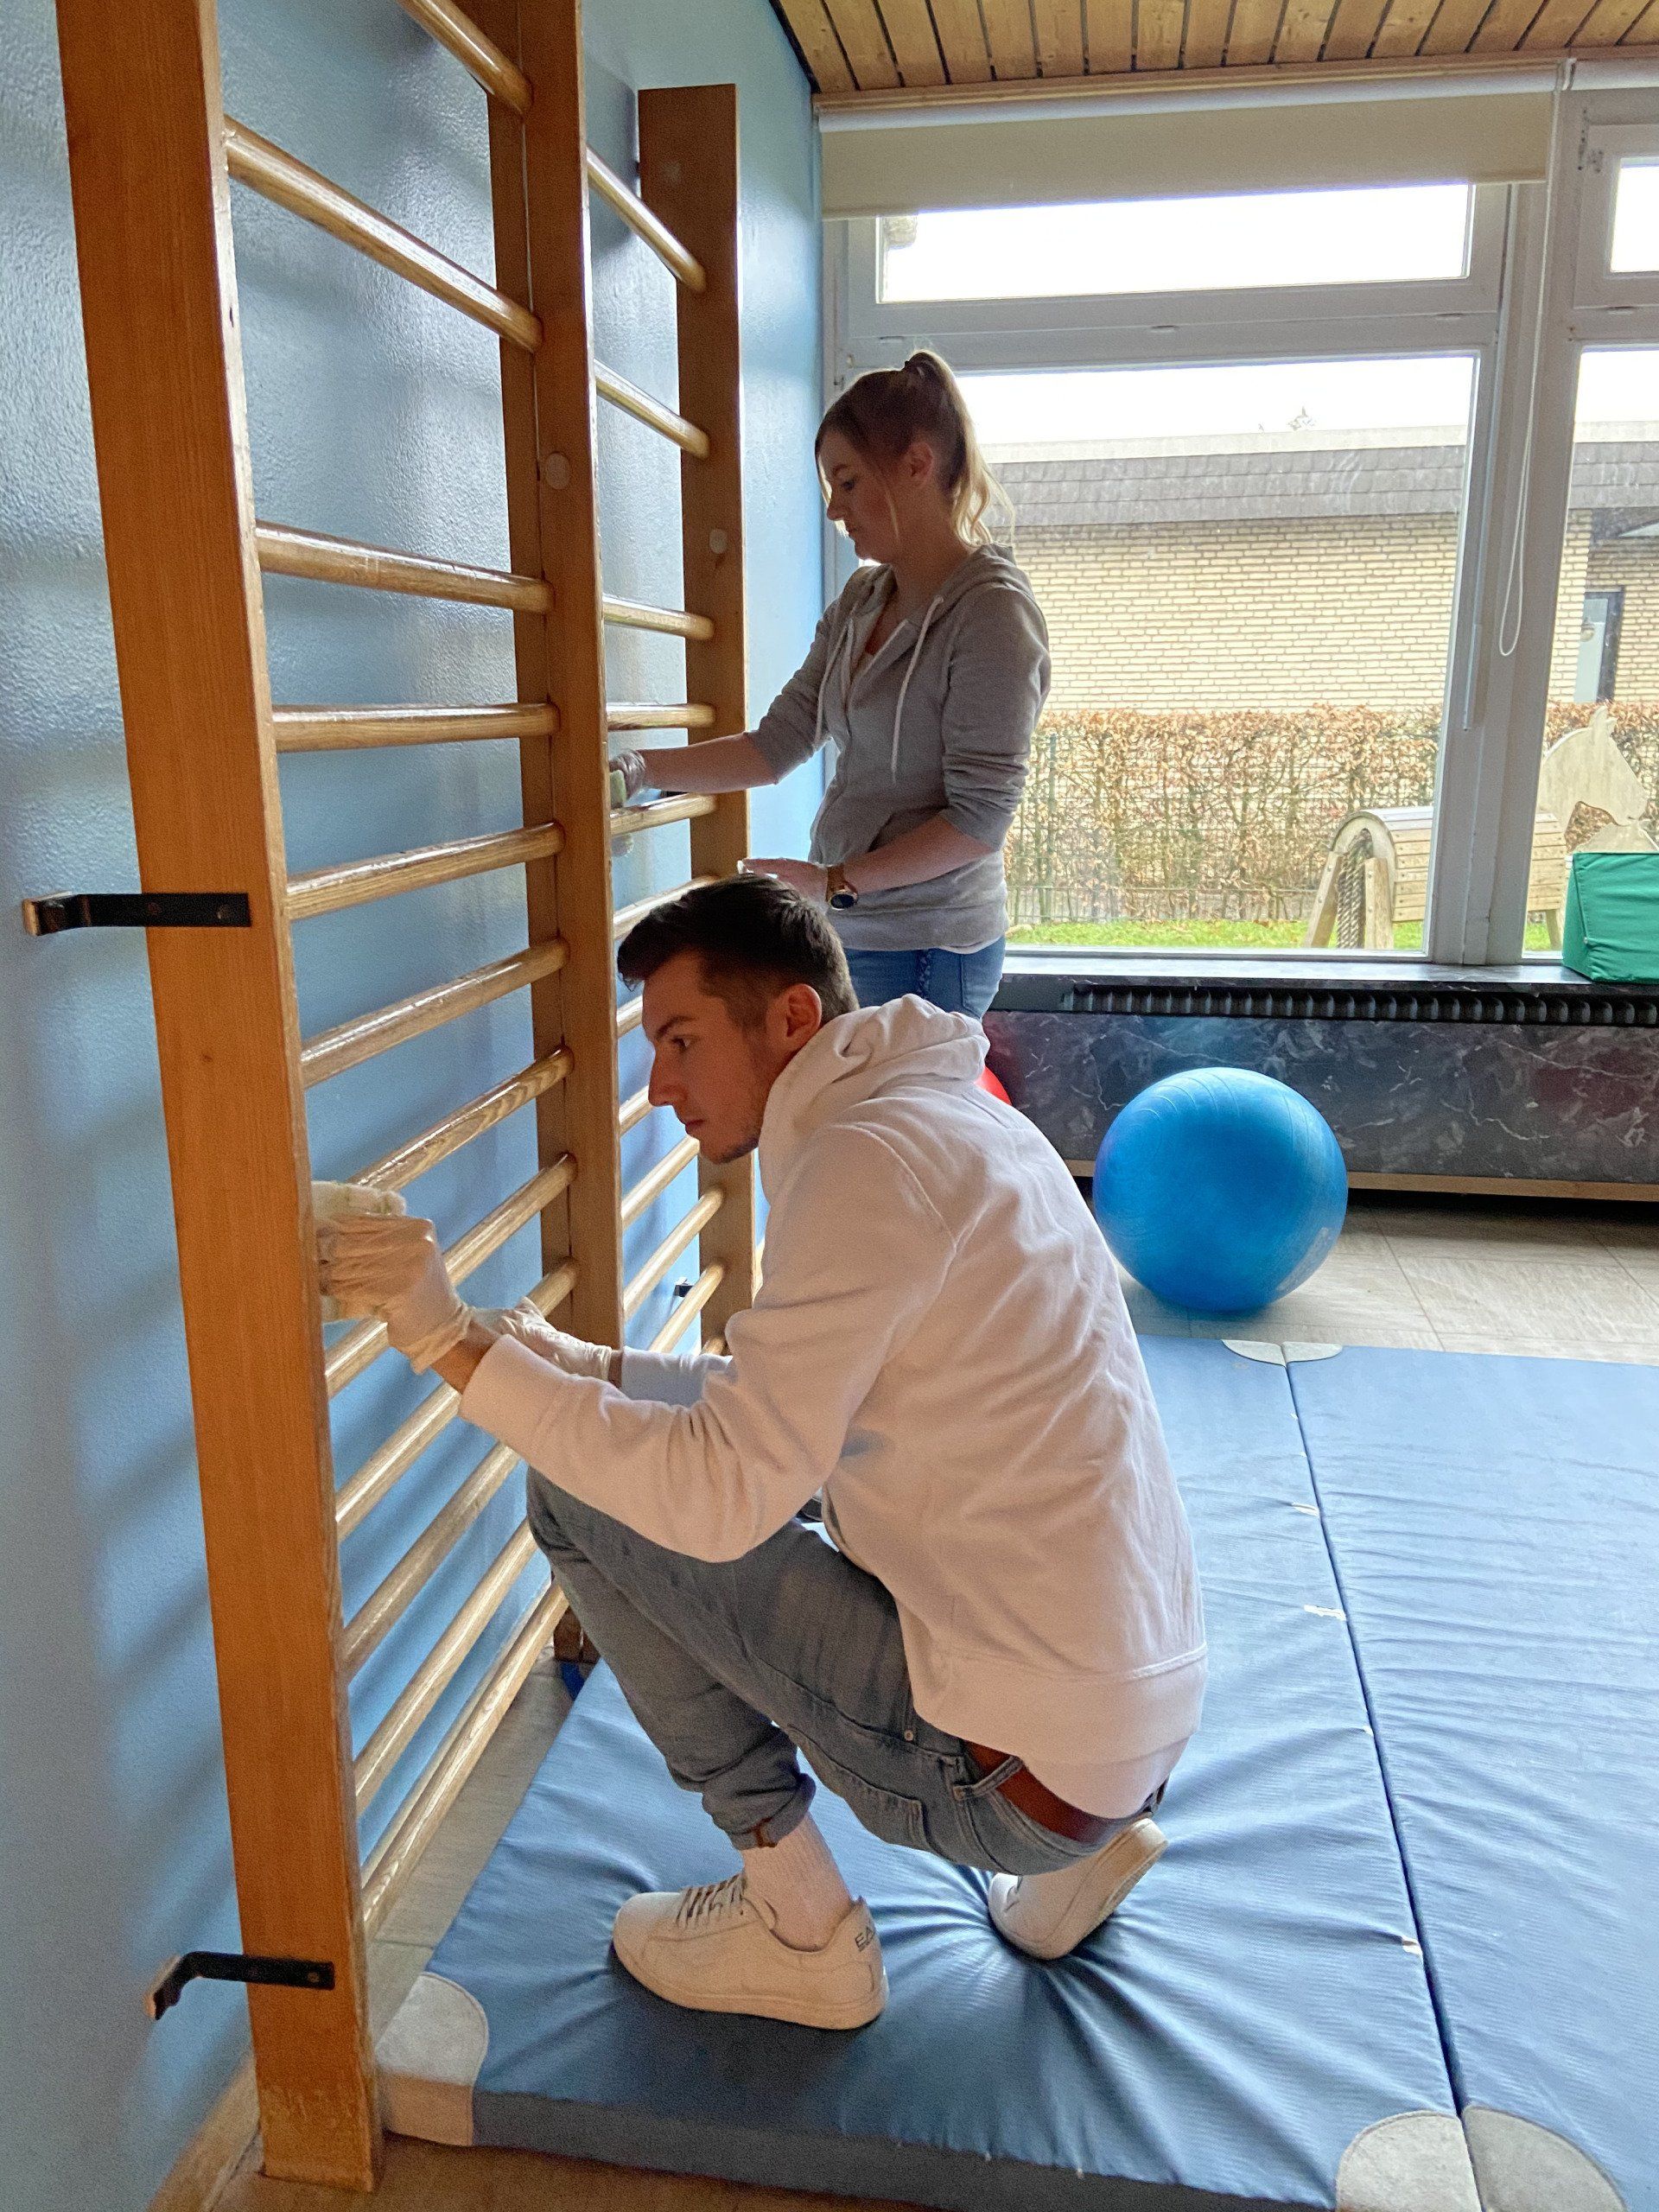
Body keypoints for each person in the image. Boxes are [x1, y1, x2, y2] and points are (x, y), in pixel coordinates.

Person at [317, 877, 1205, 2032]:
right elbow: (793, 1409)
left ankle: (799, 1929)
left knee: (579, 1493)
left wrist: (444, 1341)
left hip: (1006, 1779)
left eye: (681, 1040)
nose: (658, 1085)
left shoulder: (863, 1167)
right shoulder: (959, 1123)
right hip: (1126, 1737)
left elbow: (723, 1492)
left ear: (791, 1018)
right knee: (709, 1464)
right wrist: (580, 1364)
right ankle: (1075, 1859)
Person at [611, 351, 1050, 1020]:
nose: (834, 509)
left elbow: (978, 821)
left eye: (847, 482)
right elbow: (775, 745)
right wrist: (639, 770)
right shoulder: (862, 601)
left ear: (917, 464)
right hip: (855, 926)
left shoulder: (991, 615)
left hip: (931, 946)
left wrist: (834, 881)